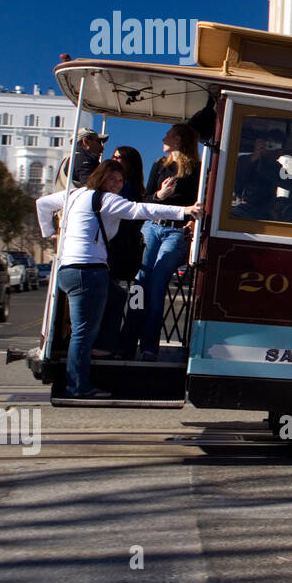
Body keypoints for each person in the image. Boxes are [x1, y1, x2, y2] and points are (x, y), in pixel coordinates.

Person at [36, 160, 202, 398]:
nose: (116, 184)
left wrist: (50, 233)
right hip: (88, 272)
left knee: (118, 297)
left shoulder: (73, 195)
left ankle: (104, 349)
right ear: (100, 178)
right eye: (112, 179)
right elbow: (142, 210)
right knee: (83, 334)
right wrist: (184, 211)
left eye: (120, 181)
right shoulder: (106, 200)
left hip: (68, 271)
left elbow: (42, 203)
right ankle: (78, 386)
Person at [121, 124, 201, 360]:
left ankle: (149, 345)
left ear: (179, 139)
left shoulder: (196, 169)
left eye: (169, 134)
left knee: (156, 285)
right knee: (140, 281)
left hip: (176, 232)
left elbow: (201, 201)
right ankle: (128, 340)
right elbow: (144, 200)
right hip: (152, 227)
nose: (164, 137)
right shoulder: (159, 165)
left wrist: (193, 222)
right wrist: (159, 196)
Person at [94, 145, 146, 356]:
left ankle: (104, 345)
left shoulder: (123, 190)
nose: (114, 160)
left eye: (119, 158)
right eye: (113, 157)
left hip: (118, 250)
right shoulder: (130, 187)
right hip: (119, 249)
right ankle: (112, 343)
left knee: (112, 298)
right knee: (116, 297)